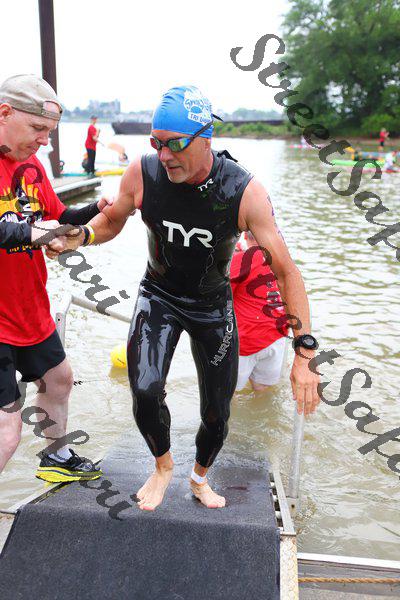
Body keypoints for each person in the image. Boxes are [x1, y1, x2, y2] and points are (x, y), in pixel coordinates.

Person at [58, 85, 320, 512]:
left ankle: (199, 478)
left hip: (212, 307)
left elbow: (286, 271)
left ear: (205, 137)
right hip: (158, 295)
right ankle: (163, 466)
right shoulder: (142, 173)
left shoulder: (244, 191)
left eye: (175, 144)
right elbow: (112, 220)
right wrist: (82, 236)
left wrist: (305, 355)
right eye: (156, 143)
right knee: (145, 389)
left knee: (217, 411)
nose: (164, 155)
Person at [0, 74, 111, 482]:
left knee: (59, 379)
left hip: (29, 310)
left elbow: (59, 216)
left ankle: (56, 458)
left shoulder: (32, 167)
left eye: (49, 132)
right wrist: (37, 233)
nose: (44, 141)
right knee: (7, 430)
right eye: (37, 128)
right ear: (4, 113)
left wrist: (98, 208)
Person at [230, 232, 288, 392]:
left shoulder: (239, 259)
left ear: (246, 237)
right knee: (262, 389)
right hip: (276, 337)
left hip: (245, 341)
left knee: (229, 393)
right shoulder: (283, 258)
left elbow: (221, 299)